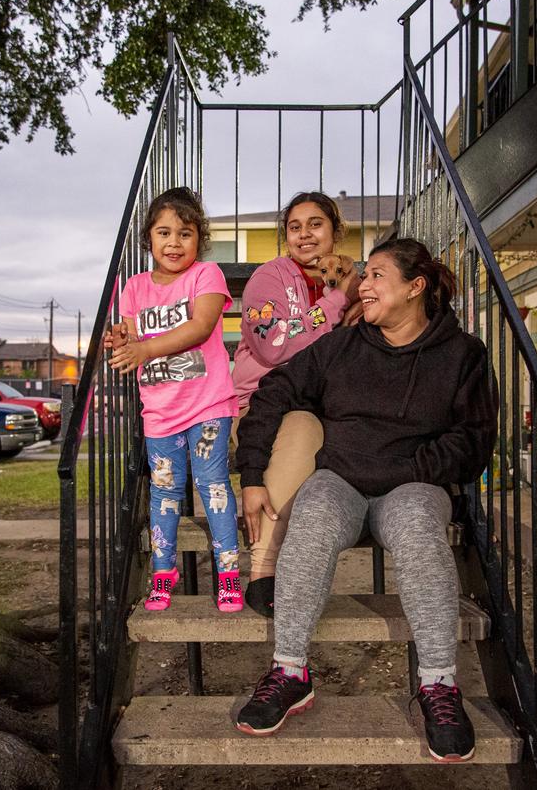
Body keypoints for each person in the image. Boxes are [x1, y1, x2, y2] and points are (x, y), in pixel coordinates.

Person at [233, 238, 496, 762]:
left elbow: (471, 442)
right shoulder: (342, 346)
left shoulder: (463, 354)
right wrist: (253, 473)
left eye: (376, 275)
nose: (363, 285)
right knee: (313, 510)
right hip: (343, 481)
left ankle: (439, 684)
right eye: (365, 275)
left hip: (414, 486)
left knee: (422, 527)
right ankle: (290, 671)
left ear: (415, 287)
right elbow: (275, 391)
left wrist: (409, 469)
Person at [106, 187, 242, 613]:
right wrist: (120, 339)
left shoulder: (206, 276)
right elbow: (129, 335)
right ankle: (164, 573)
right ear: (149, 238)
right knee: (163, 493)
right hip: (160, 412)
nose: (173, 243)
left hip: (207, 405)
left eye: (184, 233)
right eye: (163, 232)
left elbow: (201, 327)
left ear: (198, 239)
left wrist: (145, 350)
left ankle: (228, 575)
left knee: (213, 485)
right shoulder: (134, 287)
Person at [232, 191, 361, 616]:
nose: (304, 234)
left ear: (336, 232)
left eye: (316, 224)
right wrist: (337, 301)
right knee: (303, 428)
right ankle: (265, 568)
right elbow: (273, 346)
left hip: (328, 408)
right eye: (294, 226)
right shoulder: (269, 278)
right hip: (260, 405)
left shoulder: (358, 280)